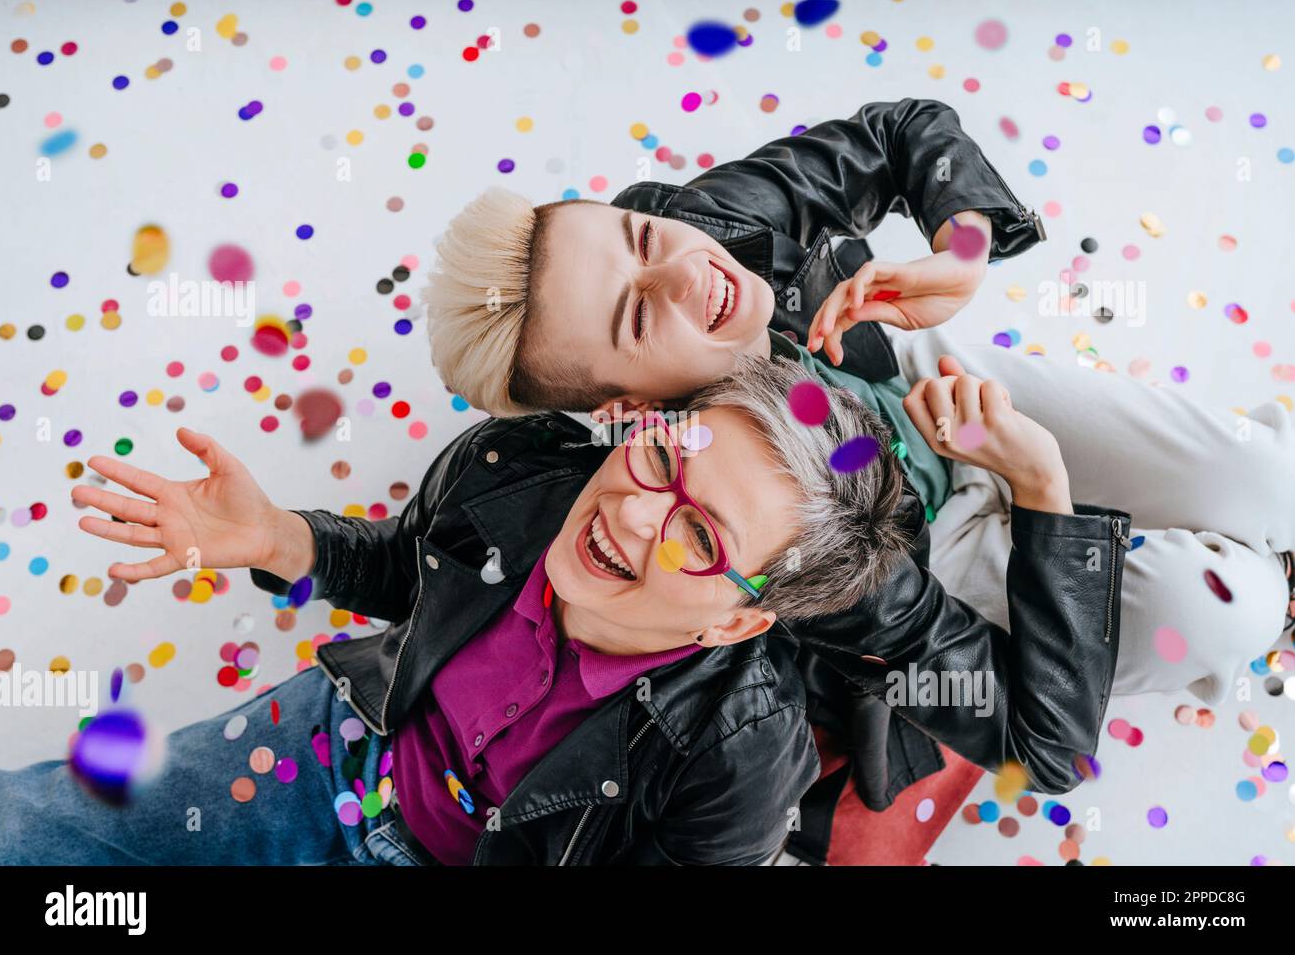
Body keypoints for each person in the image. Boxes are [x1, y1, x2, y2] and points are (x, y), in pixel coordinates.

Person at [4, 358, 1127, 864]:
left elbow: (1049, 744)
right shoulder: (520, 465)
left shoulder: (740, 752)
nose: (637, 520)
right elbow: (409, 569)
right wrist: (281, 539)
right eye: (660, 462)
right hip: (318, 750)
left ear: (741, 617)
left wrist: (1040, 489)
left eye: (699, 535)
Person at [422, 96, 1291, 718]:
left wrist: (963, 248)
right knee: (1235, 605)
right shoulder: (726, 528)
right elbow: (1035, 724)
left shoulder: (709, 225)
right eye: (642, 315)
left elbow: (900, 130)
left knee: (1272, 475)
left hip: (926, 378)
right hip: (926, 553)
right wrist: (1037, 484)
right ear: (622, 411)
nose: (693, 271)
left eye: (642, 238)